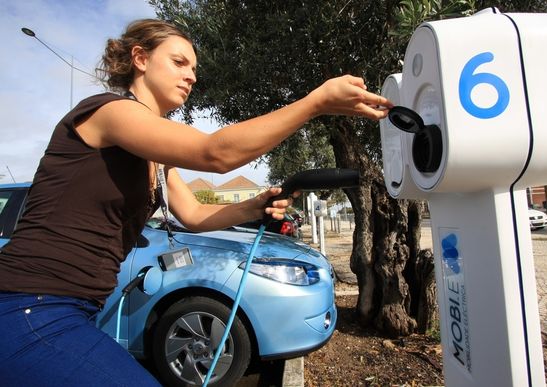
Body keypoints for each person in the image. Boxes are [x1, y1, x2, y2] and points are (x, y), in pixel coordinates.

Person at [0, 19, 392, 386]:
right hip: (31, 305)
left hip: (74, 309)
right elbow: (214, 154)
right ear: (140, 58)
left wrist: (254, 206)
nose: (191, 75)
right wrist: (315, 102)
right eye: (178, 62)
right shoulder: (110, 112)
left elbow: (194, 214)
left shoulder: (154, 154)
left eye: (194, 68)